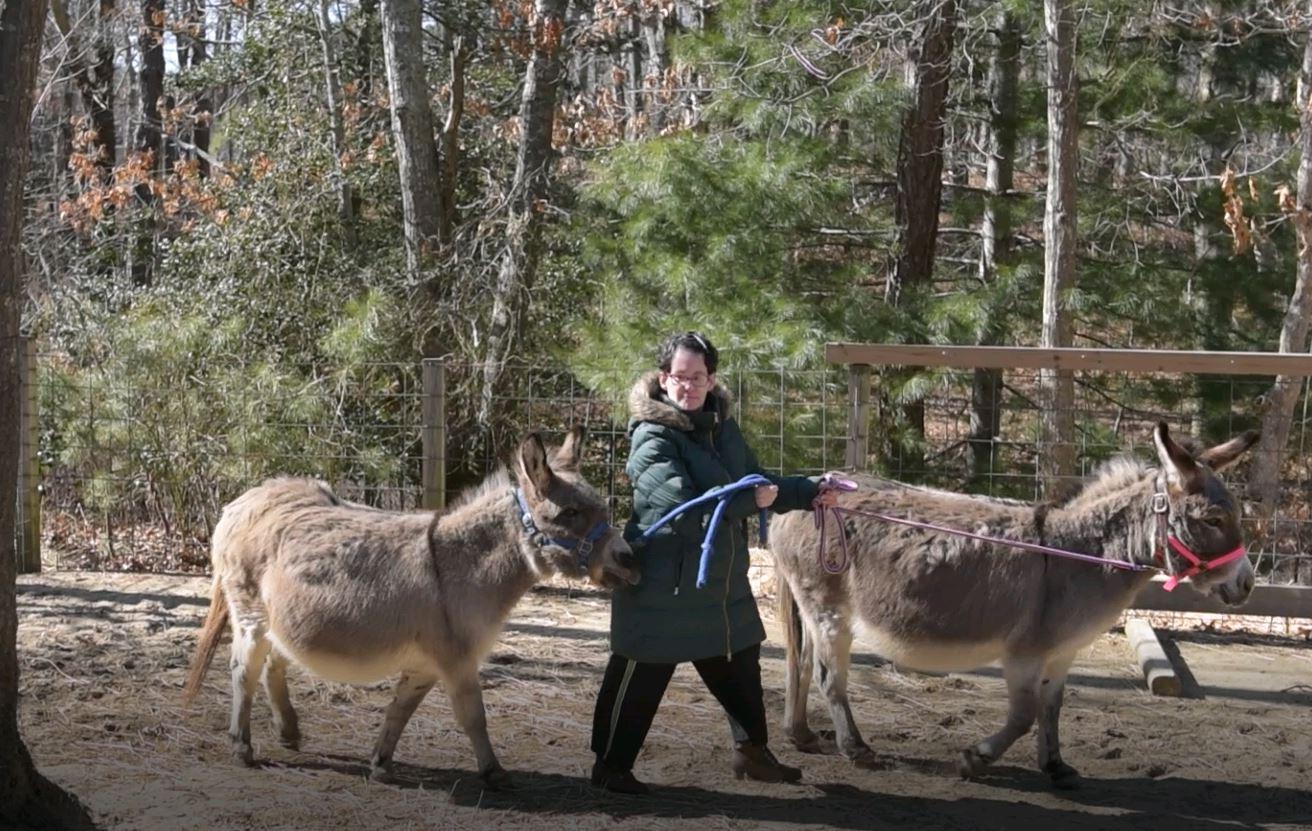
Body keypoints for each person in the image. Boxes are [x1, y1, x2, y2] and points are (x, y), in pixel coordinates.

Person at [589, 331, 838, 795]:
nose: (688, 385)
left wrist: (808, 490)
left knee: (739, 657)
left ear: (711, 379)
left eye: (697, 376)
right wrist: (750, 500)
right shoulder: (651, 437)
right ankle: (609, 768)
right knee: (640, 672)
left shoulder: (723, 426)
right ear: (664, 378)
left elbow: (755, 481)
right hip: (664, 582)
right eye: (679, 376)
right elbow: (681, 508)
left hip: (720, 582)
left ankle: (752, 753)